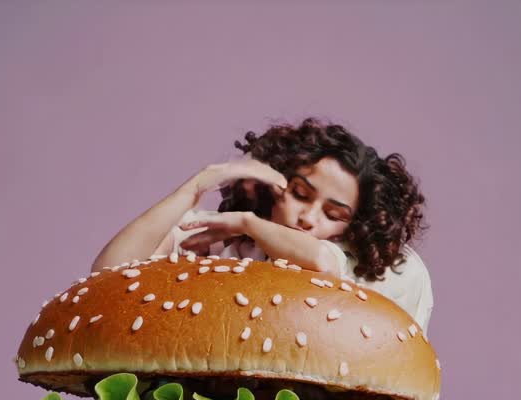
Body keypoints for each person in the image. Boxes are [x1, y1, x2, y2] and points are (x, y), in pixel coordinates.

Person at [92, 118, 435, 332]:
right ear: (274, 183)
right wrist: (197, 185)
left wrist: (247, 222)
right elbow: (108, 273)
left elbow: (320, 262)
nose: (308, 218)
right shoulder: (224, 240)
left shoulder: (352, 259)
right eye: (300, 194)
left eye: (333, 215)